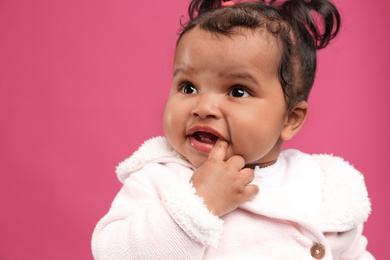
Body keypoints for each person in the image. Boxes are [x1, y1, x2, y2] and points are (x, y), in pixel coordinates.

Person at [91, 0, 374, 259]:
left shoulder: (320, 184)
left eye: (238, 91)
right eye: (188, 87)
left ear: (290, 119)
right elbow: (113, 252)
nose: (203, 107)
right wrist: (198, 202)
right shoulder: (159, 177)